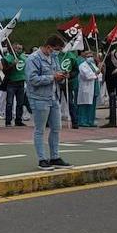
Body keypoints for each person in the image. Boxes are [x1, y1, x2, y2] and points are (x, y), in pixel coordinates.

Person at [26, 35, 70, 171]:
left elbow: (56, 74)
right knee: (40, 129)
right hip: (39, 97)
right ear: (49, 47)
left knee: (56, 127)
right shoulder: (33, 59)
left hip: (53, 96)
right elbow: (32, 79)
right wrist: (52, 77)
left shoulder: (54, 58)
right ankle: (42, 159)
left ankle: (55, 157)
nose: (57, 52)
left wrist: (61, 76)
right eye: (56, 49)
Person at [3, 43, 28, 127]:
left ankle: (18, 120)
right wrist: (13, 64)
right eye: (17, 48)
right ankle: (8, 121)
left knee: (20, 103)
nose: (19, 50)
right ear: (13, 49)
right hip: (11, 82)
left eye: (20, 48)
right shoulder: (8, 58)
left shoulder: (24, 57)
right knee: (9, 103)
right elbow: (5, 71)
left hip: (21, 82)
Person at [75, 50, 99, 127]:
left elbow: (99, 74)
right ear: (85, 57)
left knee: (92, 106)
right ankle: (82, 121)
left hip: (94, 87)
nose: (90, 58)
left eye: (91, 56)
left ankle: (90, 121)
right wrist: (95, 74)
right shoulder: (82, 65)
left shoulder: (93, 64)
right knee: (84, 105)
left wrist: (98, 72)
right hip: (86, 88)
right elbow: (87, 76)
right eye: (88, 56)